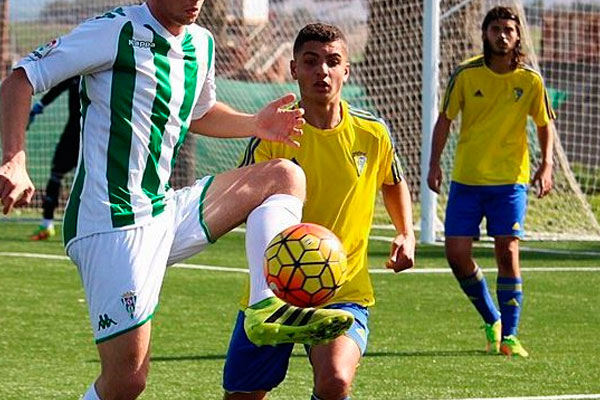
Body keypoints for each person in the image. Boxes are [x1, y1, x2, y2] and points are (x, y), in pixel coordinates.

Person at [0, 2, 355, 399]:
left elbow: (197, 113)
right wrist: (14, 159)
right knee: (126, 382)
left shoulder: (201, 43)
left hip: (164, 210)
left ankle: (265, 307)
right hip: (110, 221)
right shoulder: (113, 30)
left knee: (283, 175)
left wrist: (255, 125)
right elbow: (21, 78)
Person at [224, 23, 416, 400]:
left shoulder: (372, 133)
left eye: (332, 61)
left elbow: (392, 181)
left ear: (347, 70)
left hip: (343, 289)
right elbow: (243, 199)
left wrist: (405, 231)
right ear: (293, 68)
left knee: (335, 381)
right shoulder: (272, 134)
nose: (322, 71)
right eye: (310, 62)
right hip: (275, 290)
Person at [427, 6, 555, 358]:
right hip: (467, 181)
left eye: (509, 30)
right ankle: (491, 317)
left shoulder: (530, 79)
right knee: (456, 255)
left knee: (507, 253)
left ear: (518, 36)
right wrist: (434, 163)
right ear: (484, 34)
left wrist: (546, 165)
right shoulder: (465, 75)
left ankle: (509, 336)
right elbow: (445, 120)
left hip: (509, 182)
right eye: (495, 28)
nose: (502, 35)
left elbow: (545, 124)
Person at [28, 76, 81, 240]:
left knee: (94, 178)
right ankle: (47, 223)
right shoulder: (77, 71)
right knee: (56, 175)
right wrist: (38, 106)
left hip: (95, 135)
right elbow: (59, 87)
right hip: (72, 134)